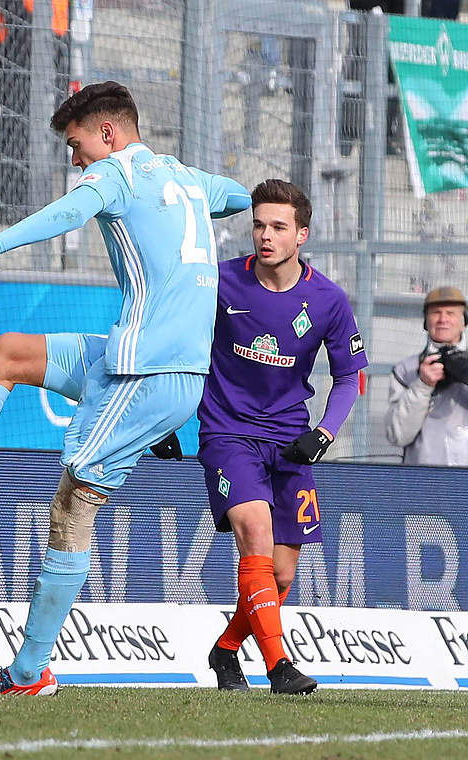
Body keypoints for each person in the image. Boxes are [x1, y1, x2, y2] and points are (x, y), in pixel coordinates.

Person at [0, 81, 251, 696]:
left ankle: (29, 673)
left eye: (76, 143)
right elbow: (240, 195)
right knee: (6, 352)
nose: (75, 158)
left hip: (147, 373)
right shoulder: (184, 177)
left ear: (107, 134)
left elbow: (64, 215)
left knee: (72, 505)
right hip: (134, 362)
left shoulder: (116, 175)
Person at [160, 180, 367, 694]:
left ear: (302, 234)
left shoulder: (329, 300)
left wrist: (323, 433)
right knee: (253, 529)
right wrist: (165, 418)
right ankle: (280, 669)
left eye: (278, 226)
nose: (265, 235)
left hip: (291, 440)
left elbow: (348, 378)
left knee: (277, 577)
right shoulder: (220, 283)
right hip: (227, 433)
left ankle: (225, 649)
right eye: (258, 224)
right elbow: (174, 344)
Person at [386, 286, 468, 465]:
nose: (443, 319)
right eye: (436, 313)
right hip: (423, 480)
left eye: (451, 313)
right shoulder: (405, 370)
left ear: (464, 320)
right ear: (425, 321)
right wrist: (422, 385)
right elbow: (397, 435)